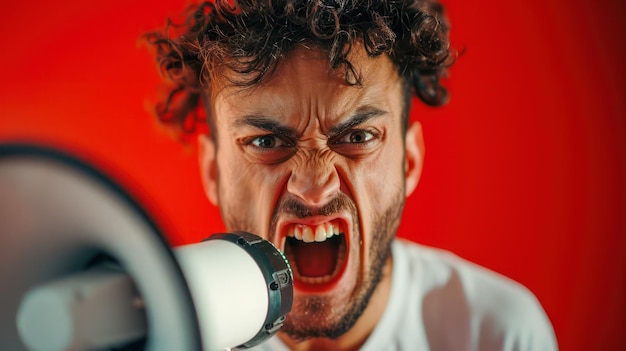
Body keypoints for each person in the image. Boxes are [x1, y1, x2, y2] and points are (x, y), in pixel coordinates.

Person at [145, 1, 558, 350]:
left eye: (357, 136)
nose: (312, 187)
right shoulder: (165, 333)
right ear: (213, 171)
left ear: (408, 162)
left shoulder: (499, 334)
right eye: (266, 142)